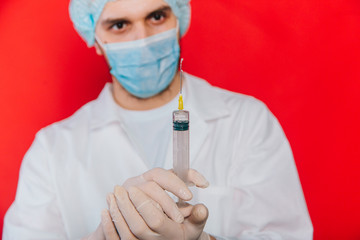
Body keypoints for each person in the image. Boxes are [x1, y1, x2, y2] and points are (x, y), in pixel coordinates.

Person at [3, 0, 313, 239]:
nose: (144, 39)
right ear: (95, 38)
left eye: (156, 16)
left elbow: (287, 235)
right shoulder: (53, 148)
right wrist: (103, 236)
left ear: (179, 18)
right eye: (120, 25)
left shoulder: (247, 121)